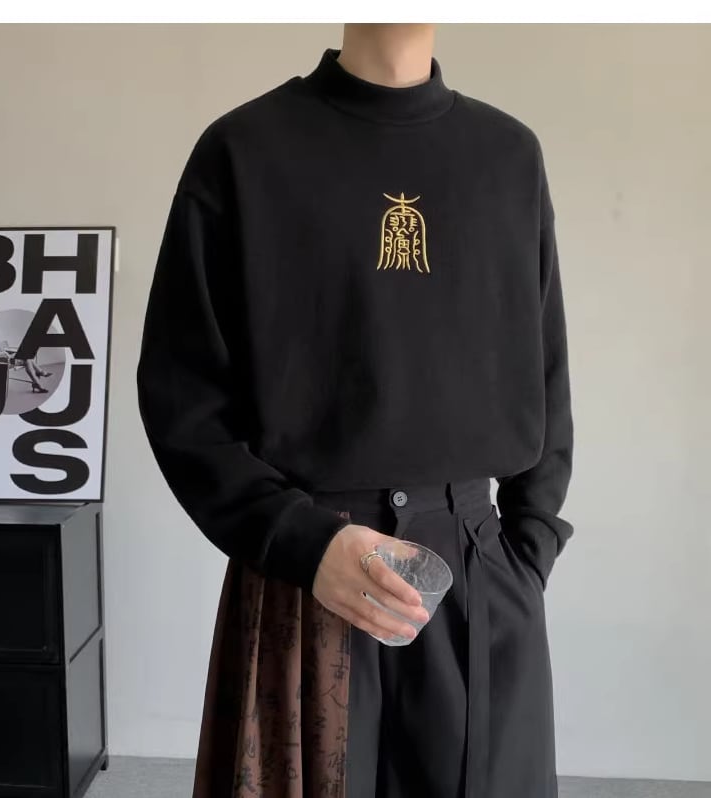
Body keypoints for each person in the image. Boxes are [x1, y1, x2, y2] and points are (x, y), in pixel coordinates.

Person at [137, 22, 573, 798]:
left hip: (477, 575)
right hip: (305, 571)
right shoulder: (244, 150)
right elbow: (182, 400)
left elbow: (546, 369)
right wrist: (299, 541)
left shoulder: (508, 155)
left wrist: (526, 550)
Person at [0, 323, 52, 393]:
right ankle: (39, 374)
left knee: (27, 359)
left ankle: (38, 381)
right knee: (28, 359)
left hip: (4, 360)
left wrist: (5, 352)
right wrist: (3, 354)